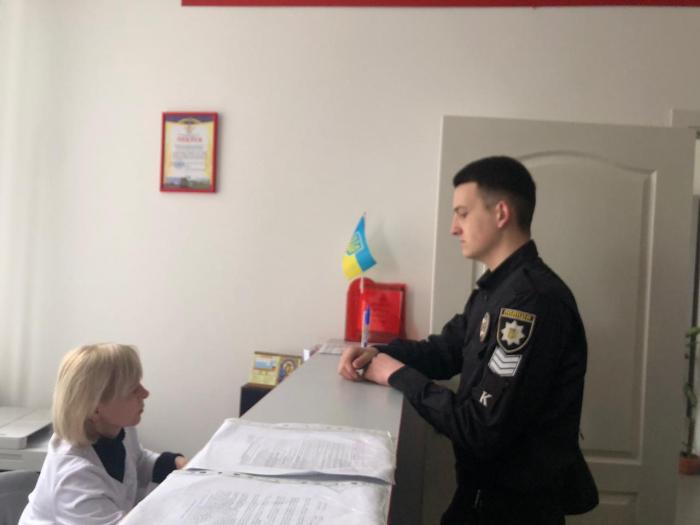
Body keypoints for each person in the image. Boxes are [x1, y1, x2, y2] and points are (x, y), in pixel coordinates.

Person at [338, 156, 598, 525]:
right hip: (478, 497)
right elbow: (444, 352)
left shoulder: (531, 300)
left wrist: (393, 373)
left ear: (501, 213)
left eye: (462, 213)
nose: (453, 228)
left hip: (515, 510)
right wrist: (375, 353)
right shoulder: (496, 289)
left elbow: (480, 427)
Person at [20, 343, 188, 525]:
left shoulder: (118, 429)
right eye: (132, 389)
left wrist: (177, 464)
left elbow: (137, 461)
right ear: (95, 408)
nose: (145, 393)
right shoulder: (75, 478)